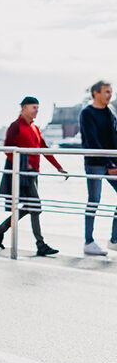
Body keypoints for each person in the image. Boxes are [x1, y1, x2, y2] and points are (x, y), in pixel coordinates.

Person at [0, 97, 65, 256]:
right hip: (22, 173)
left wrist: (59, 167)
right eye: (33, 107)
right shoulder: (15, 126)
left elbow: (44, 149)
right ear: (24, 108)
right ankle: (40, 244)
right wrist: (21, 166)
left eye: (37, 107)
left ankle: (0, 229)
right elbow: (7, 149)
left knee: (31, 207)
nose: (36, 110)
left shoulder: (35, 128)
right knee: (36, 207)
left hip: (33, 173)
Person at [80, 80, 117, 256]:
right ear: (96, 93)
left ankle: (114, 239)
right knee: (94, 199)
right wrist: (109, 163)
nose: (110, 95)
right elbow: (92, 140)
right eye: (107, 92)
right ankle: (88, 241)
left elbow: (114, 139)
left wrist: (114, 162)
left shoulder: (110, 112)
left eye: (111, 92)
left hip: (111, 162)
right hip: (95, 163)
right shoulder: (87, 113)